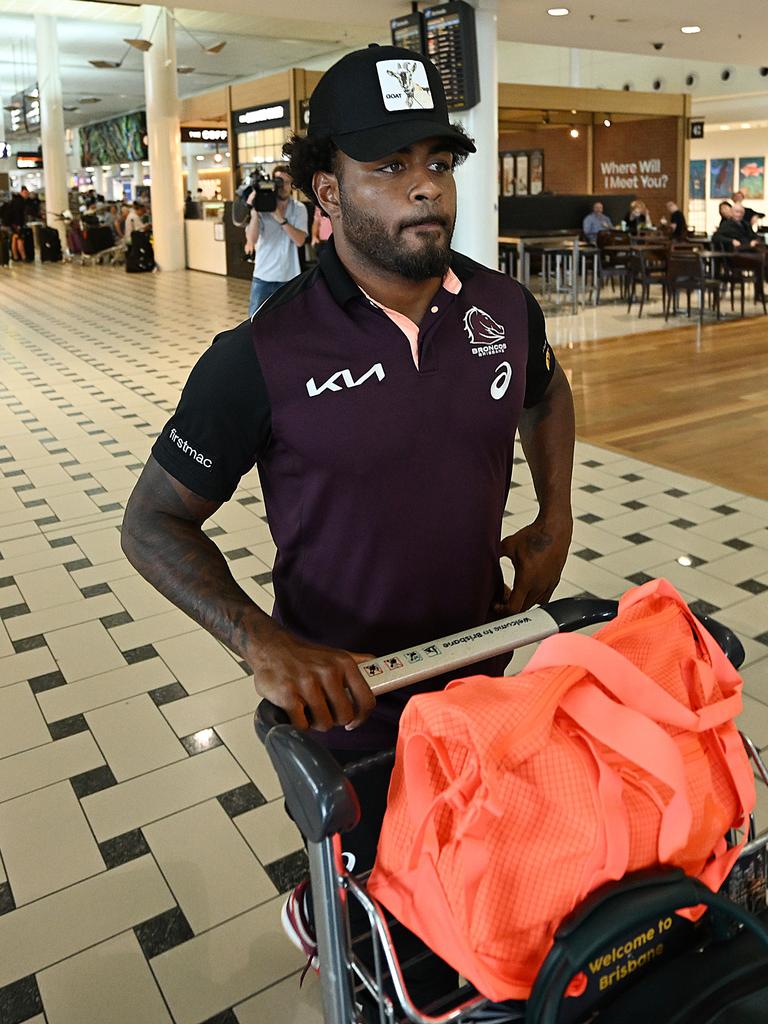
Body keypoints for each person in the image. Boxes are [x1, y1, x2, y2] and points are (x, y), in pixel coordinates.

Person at [121, 42, 574, 1005]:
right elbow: (152, 521)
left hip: (481, 665)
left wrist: (553, 516)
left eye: (438, 164)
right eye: (389, 166)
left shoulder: (501, 306)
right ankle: (320, 909)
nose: (425, 190)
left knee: (465, 878)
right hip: (346, 704)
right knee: (370, 893)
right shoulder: (260, 356)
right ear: (326, 190)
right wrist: (261, 640)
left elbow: (546, 392)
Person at [244, 164, 308, 316]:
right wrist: (254, 212)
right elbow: (251, 240)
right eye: (279, 181)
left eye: (287, 183)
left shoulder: (299, 208)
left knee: (290, 321)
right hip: (263, 276)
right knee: (255, 322)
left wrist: (280, 218)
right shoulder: (261, 207)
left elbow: (300, 241)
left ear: (292, 186)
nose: (282, 186)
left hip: (289, 277)